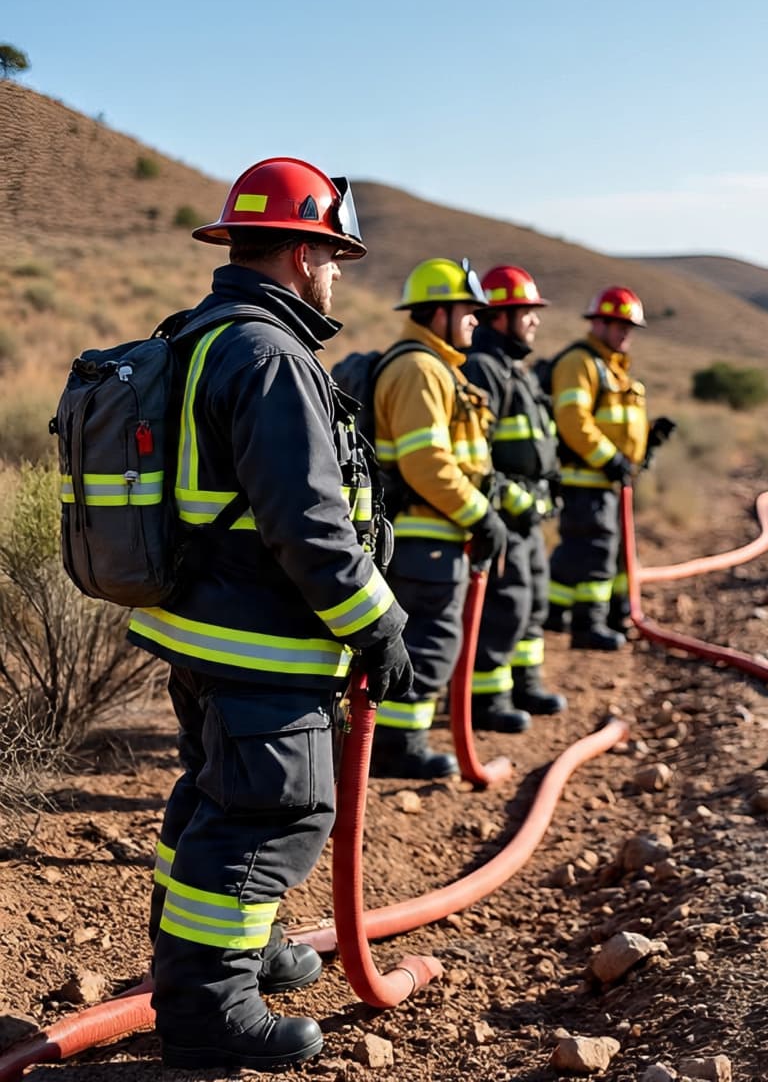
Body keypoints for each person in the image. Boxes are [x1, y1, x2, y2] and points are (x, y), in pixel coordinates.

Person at [127, 157, 412, 1070]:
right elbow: (310, 522)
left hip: (204, 629)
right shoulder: (272, 356)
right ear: (300, 252)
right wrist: (379, 621)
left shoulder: (201, 335)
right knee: (273, 813)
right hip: (261, 640)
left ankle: (224, 957)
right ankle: (208, 1011)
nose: (334, 277)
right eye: (332, 257)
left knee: (215, 799)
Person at [370, 257, 507, 776]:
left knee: (430, 639)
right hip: (421, 536)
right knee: (428, 641)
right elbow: (426, 463)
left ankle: (397, 743)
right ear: (438, 313)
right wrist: (480, 515)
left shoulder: (438, 367)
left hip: (433, 533)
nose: (476, 319)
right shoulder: (420, 369)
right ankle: (396, 749)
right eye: (467, 311)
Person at [462, 265, 568, 731]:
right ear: (499, 317)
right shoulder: (483, 369)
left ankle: (525, 683)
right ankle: (488, 698)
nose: (535, 322)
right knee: (504, 607)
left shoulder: (514, 370)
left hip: (528, 514)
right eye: (527, 312)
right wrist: (513, 499)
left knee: (531, 602)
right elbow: (474, 455)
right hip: (505, 516)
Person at [547, 286, 674, 648]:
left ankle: (603, 612)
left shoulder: (616, 370)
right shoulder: (581, 363)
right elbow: (573, 420)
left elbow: (617, 425)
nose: (625, 333)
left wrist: (647, 443)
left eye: (629, 327)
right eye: (617, 325)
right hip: (585, 479)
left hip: (611, 481)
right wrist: (610, 459)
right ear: (597, 323)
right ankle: (588, 625)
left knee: (608, 551)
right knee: (595, 550)